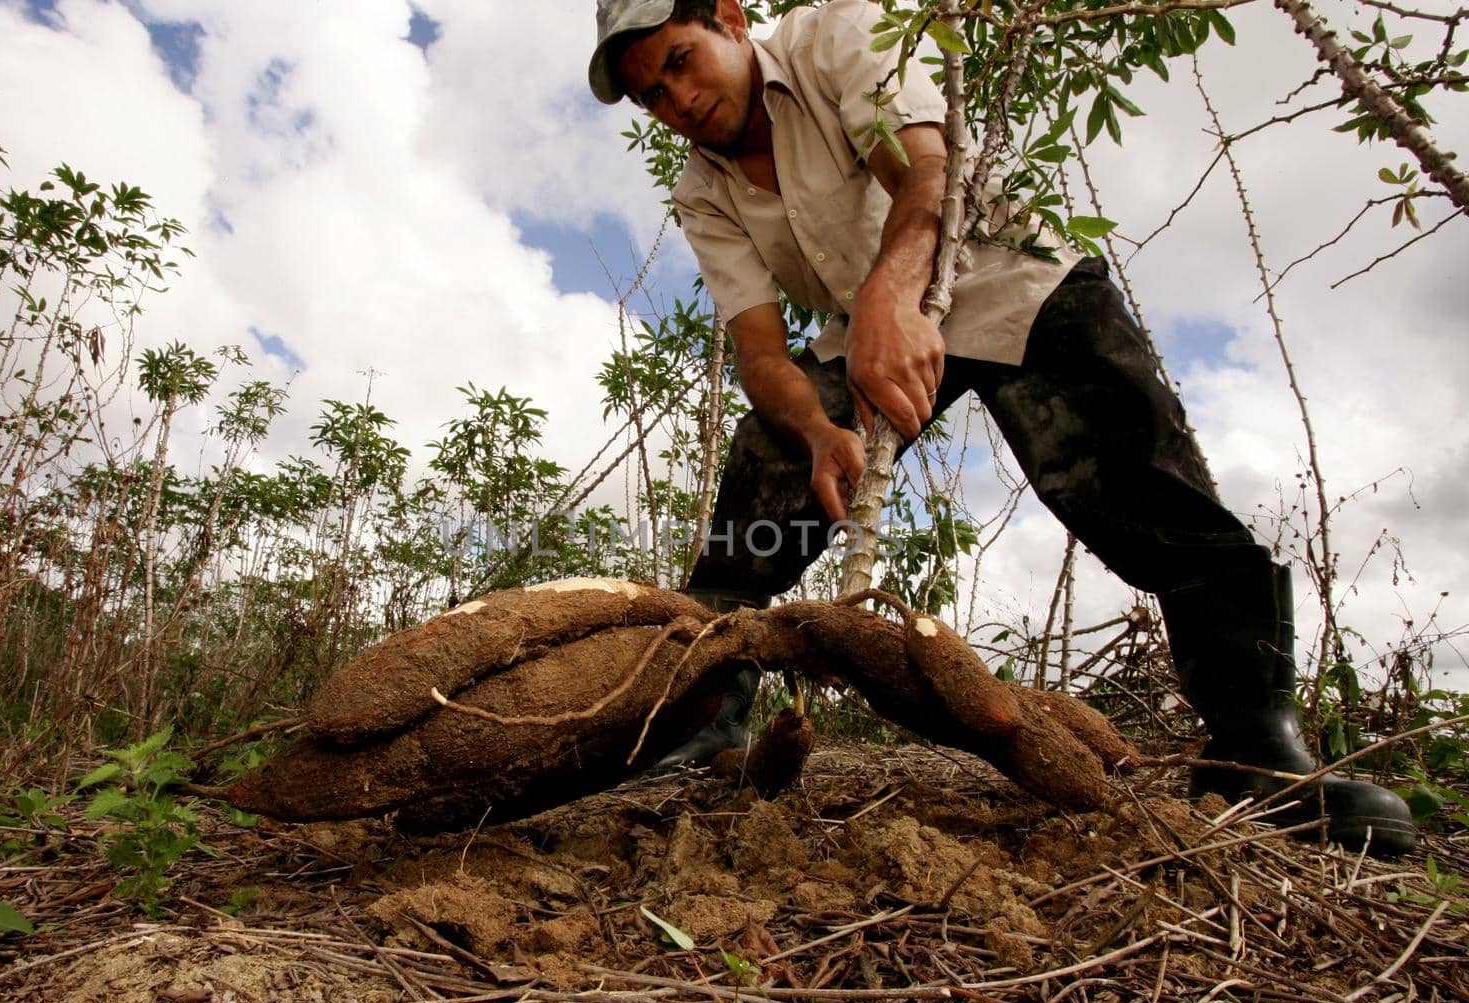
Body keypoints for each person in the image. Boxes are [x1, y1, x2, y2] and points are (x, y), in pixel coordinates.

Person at [588, 0, 1416, 855]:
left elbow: (925, 172)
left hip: (1005, 269)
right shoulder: (703, 190)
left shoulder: (834, 34)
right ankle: (701, 728)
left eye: (682, 62)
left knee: (1147, 492)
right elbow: (761, 353)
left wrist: (891, 294)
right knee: (754, 502)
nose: (677, 100)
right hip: (860, 332)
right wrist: (814, 430)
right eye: (653, 95)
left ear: (728, 18)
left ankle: (1258, 751)